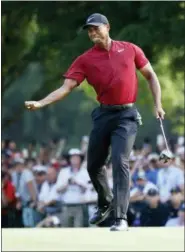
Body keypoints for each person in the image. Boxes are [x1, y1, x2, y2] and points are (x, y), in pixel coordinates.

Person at [24, 13, 165, 231]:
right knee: (93, 166)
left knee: (120, 161)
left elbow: (151, 76)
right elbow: (66, 88)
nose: (92, 33)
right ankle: (106, 201)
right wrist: (42, 103)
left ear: (107, 27)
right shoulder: (85, 59)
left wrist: (158, 104)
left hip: (127, 116)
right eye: (89, 30)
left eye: (96, 28)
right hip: (103, 115)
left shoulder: (130, 49)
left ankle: (120, 217)